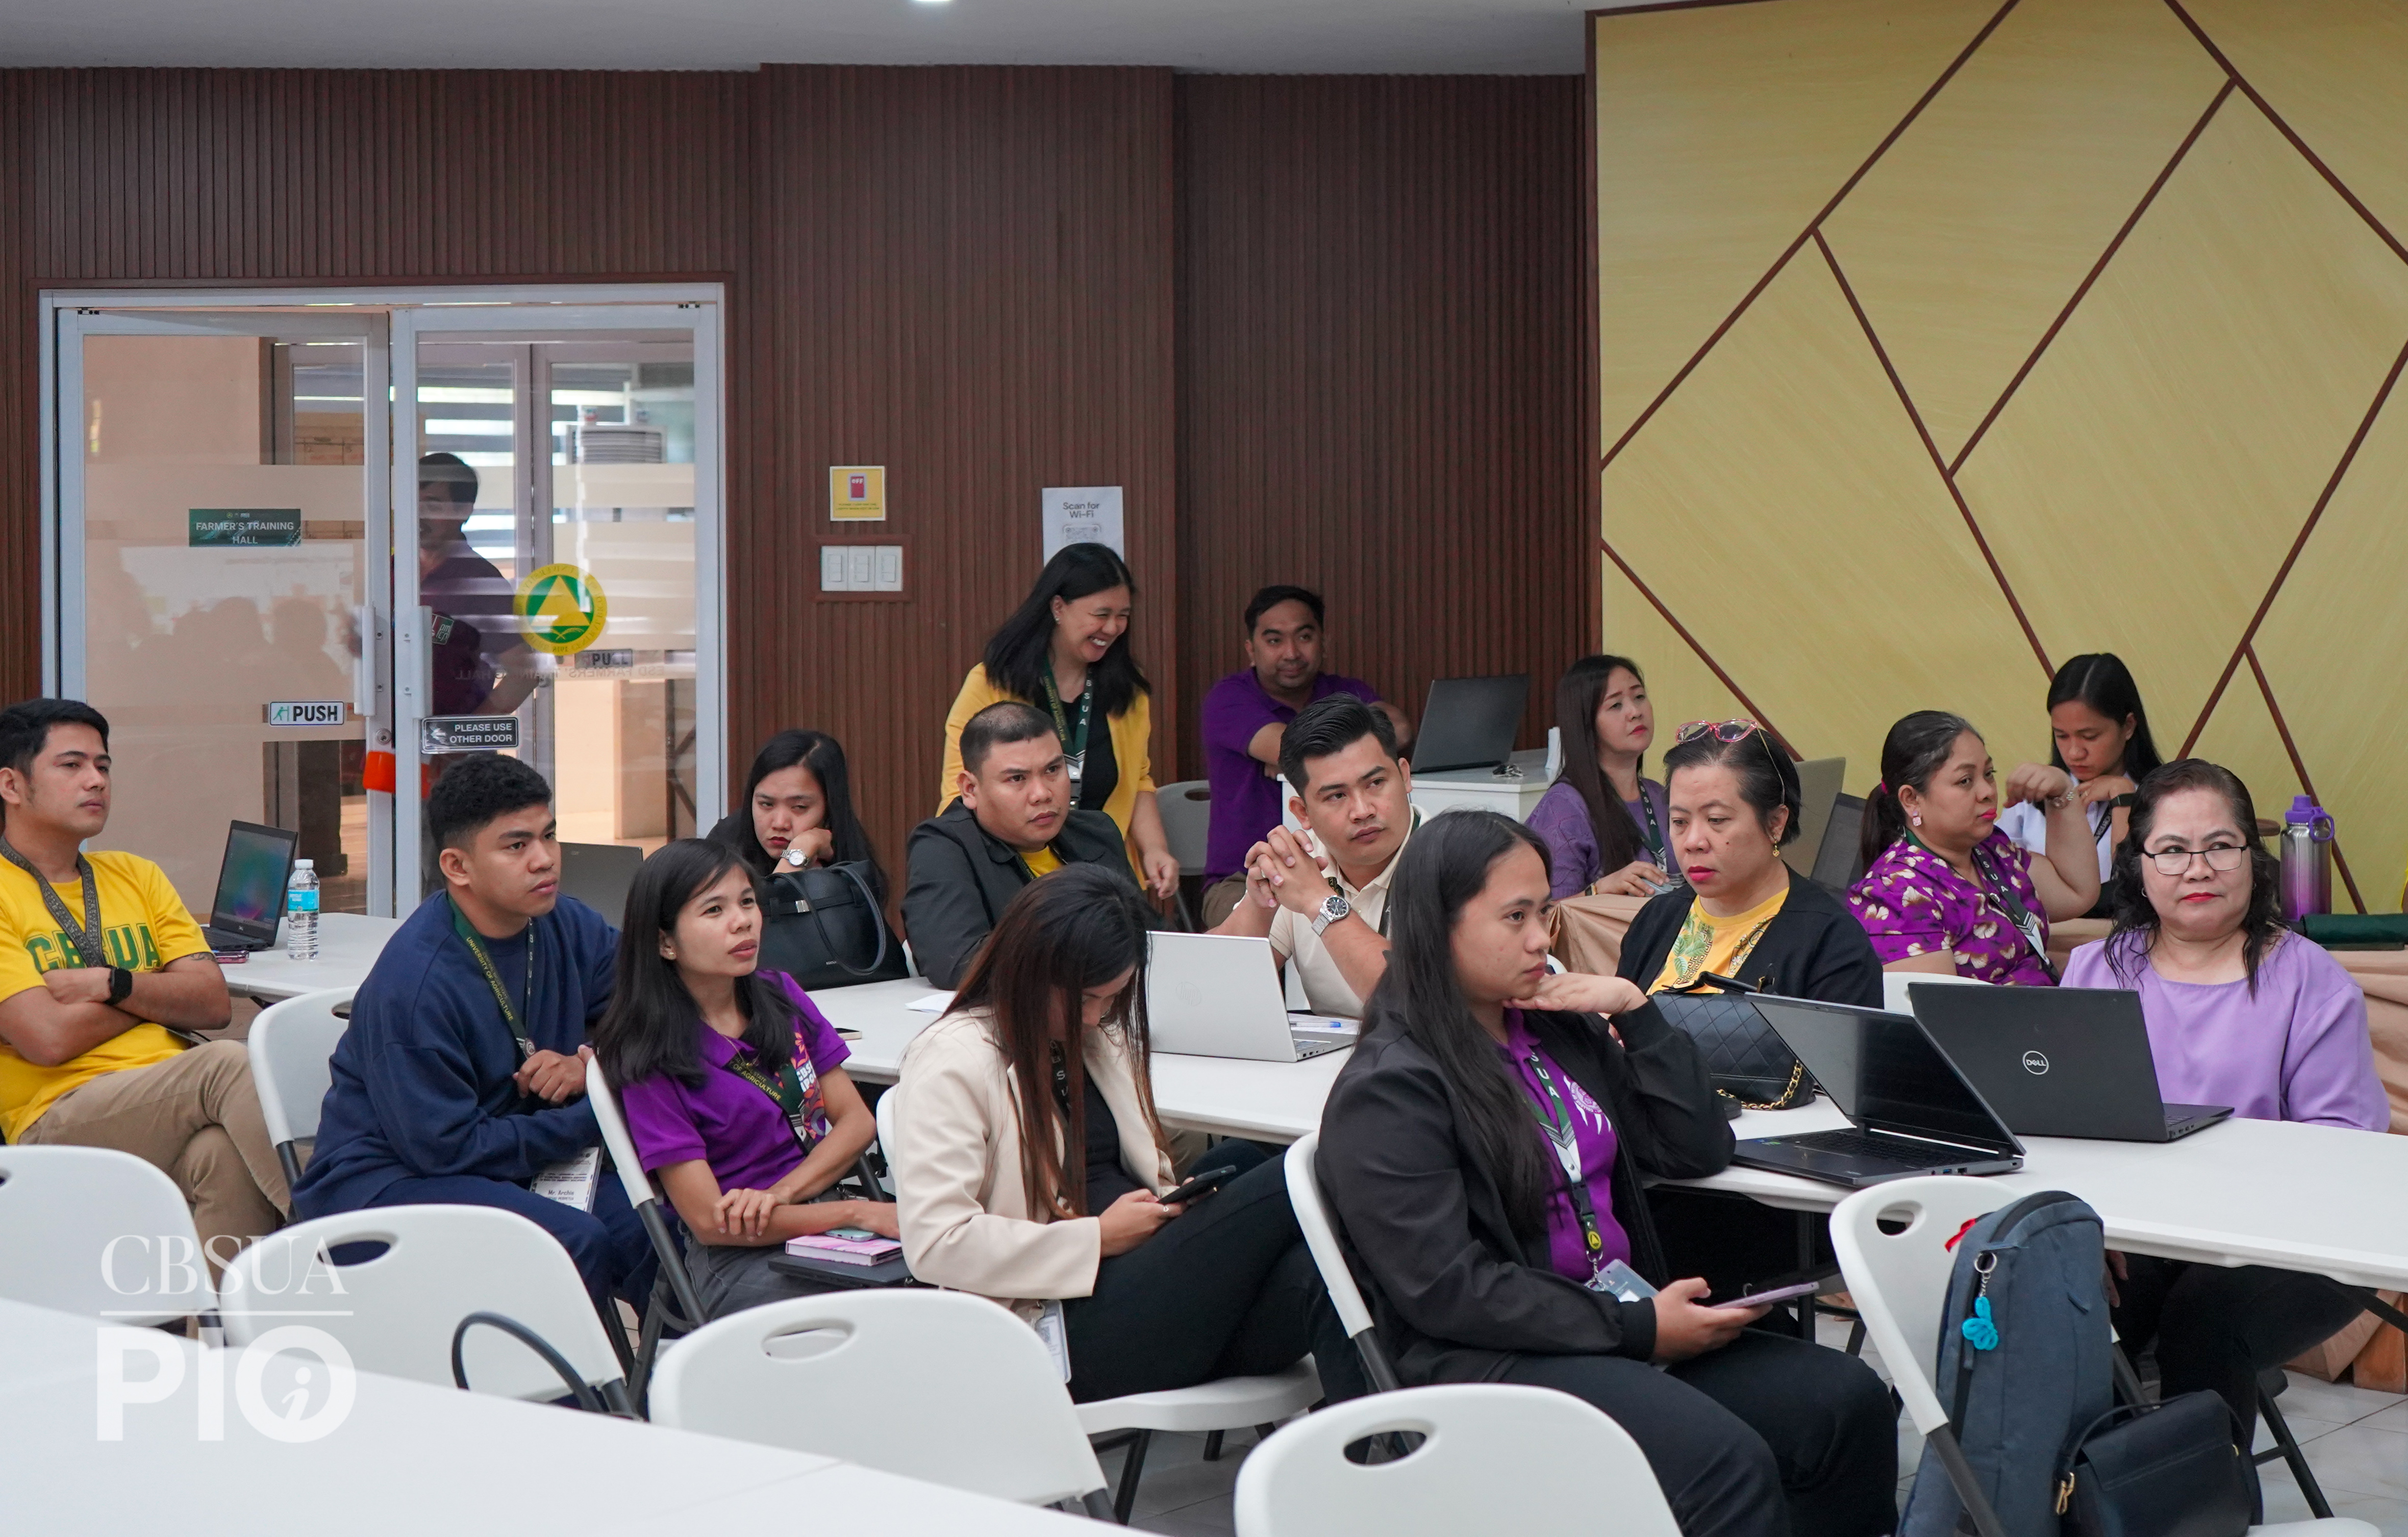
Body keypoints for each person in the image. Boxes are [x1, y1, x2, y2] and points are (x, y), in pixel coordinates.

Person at [1316, 810, 1895, 1537]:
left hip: (1615, 1323)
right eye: (1515, 917)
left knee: (1848, 1403)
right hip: (1495, 1360)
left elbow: (1695, 1149)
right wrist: (1638, 1327)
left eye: (1544, 912)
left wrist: (1637, 1011)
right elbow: (1448, 1291)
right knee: (1724, 1463)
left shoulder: (1556, 1027)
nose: (1541, 938)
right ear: (1438, 927)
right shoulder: (1391, 1087)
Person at [890, 863, 1348, 1403]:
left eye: (1111, 997)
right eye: (1086, 998)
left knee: (1320, 1266)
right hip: (1052, 1320)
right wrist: (1098, 1238)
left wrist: (1168, 1205)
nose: (1097, 1015)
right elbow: (936, 1244)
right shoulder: (953, 1059)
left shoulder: (1096, 1037)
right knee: (1298, 1173)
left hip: (1140, 1290)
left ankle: (1379, 1450)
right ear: (1029, 968)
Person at [2064, 759, 2385, 1488]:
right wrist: (2084, 1225)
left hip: (2291, 1239)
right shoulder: (2095, 969)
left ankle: (2203, 1510)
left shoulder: (2309, 980)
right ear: (2140, 864)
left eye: (2220, 846)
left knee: (2205, 1317)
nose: (2197, 868)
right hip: (2139, 1231)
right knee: (2063, 1295)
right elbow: (2063, 1125)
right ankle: (2080, 1502)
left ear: (2252, 857)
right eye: (2172, 849)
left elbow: (2342, 1153)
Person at [295, 754, 653, 1309]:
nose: (544, 859)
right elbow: (448, 1151)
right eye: (517, 845)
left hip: (512, 1158)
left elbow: (657, 1008)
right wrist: (598, 1113)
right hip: (389, 1184)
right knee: (568, 1244)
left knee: (657, 1226)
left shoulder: (564, 923)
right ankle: (539, 1372)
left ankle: (686, 1366)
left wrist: (591, 1064)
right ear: (457, 866)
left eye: (549, 835)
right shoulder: (416, 984)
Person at [0, 698, 287, 1284]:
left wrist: (113, 984)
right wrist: (156, 994)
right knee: (228, 1062)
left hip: (169, 1099)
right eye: (72, 765)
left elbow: (211, 1001)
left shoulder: (136, 875)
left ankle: (216, 1332)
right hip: (55, 1115)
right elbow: (47, 1039)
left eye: (103, 766)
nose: (96, 781)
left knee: (223, 1156)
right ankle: (343, 1235)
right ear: (12, 785)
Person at [591, 839, 895, 1320]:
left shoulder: (780, 995)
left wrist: (782, 1193)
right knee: (881, 1312)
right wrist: (855, 1212)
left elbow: (857, 1121)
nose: (743, 921)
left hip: (827, 1225)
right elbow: (711, 1222)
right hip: (740, 1255)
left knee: (954, 1275)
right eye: (715, 909)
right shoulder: (650, 1058)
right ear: (665, 942)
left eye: (747, 901)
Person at [938, 543, 1177, 899]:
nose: (1113, 627)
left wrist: (1155, 849)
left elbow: (1138, 780)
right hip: (1012, 880)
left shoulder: (1127, 691)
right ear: (1058, 607)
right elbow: (958, 794)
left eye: (1123, 615)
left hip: (1102, 880)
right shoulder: (991, 683)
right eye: (1101, 614)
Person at [1617, 720, 1880, 1009]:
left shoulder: (1833, 945)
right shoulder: (1656, 919)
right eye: (1679, 822)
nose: (1693, 842)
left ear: (1776, 823)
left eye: (1716, 820)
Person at [1197, 586, 1410, 926]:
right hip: (1244, 878)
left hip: (1334, 869)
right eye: (1275, 640)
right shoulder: (1229, 698)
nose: (1292, 652)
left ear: (1323, 642)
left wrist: (1292, 756)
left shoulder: (1343, 690)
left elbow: (1398, 728)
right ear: (1251, 649)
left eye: (1304, 637)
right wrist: (1317, 748)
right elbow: (1290, 750)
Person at [1847, 710, 2100, 984]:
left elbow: (2076, 893)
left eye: (1989, 774)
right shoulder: (1896, 894)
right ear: (1911, 799)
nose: (1988, 792)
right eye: (1965, 781)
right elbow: (1937, 1009)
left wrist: (2062, 794)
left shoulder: (1988, 850)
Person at [905, 702, 1142, 989]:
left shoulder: (1096, 833)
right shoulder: (943, 847)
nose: (1042, 794)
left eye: (1053, 770)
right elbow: (959, 965)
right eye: (1017, 778)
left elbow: (1146, 937)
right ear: (970, 789)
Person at [1210, 694, 1413, 1018]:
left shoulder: (1461, 860)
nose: (1362, 811)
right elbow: (1208, 991)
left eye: (1376, 783)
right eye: (1336, 796)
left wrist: (1320, 903)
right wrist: (1259, 906)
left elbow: (1415, 1006)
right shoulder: (1302, 864)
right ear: (1302, 812)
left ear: (1404, 777)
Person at [1995, 653, 2163, 890]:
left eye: (2090, 737)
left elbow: (2138, 891)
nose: (2074, 753)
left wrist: (2123, 798)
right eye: (2062, 736)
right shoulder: (2034, 797)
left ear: (2128, 726)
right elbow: (1993, 876)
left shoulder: (2165, 798)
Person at [1528, 654, 1675, 899]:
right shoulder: (1563, 808)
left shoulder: (1659, 795)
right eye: (1616, 705)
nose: (1635, 712)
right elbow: (1545, 913)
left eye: (1639, 697)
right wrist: (1598, 890)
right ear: (1586, 723)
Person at [416, 453, 539, 719]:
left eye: (433, 505)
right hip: (389, 734)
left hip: (444, 741)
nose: (419, 515)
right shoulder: (390, 572)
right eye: (412, 503)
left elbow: (525, 673)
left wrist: (464, 733)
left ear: (463, 511)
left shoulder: (479, 581)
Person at [705, 729, 886, 901]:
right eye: (766, 804)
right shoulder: (727, 844)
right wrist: (800, 853)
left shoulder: (850, 865)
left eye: (799, 807)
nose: (779, 823)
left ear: (830, 807)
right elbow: (764, 917)